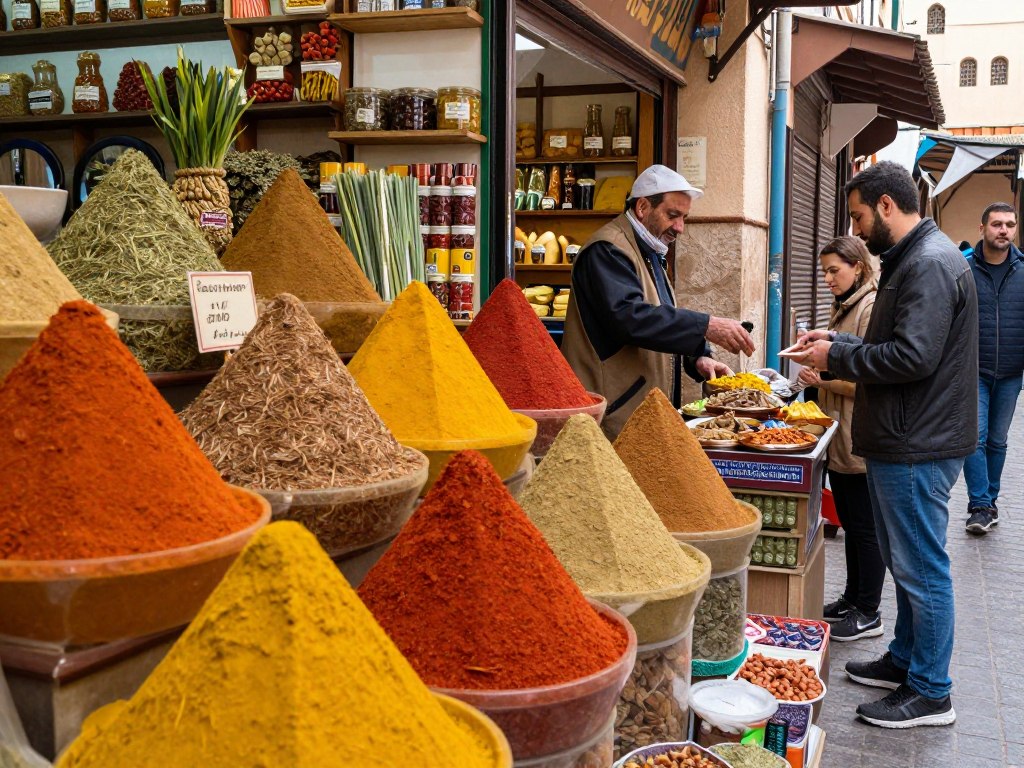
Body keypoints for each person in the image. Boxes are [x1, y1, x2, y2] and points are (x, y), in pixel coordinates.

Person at [793, 161, 978, 729]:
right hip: (911, 434)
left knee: (922, 568)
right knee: (908, 563)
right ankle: (906, 659)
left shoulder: (926, 263)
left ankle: (931, 691)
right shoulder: (918, 259)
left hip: (916, 441)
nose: (857, 225)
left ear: (887, 207)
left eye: (858, 215)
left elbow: (913, 357)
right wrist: (837, 339)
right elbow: (900, 342)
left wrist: (837, 357)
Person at [562, 165, 755, 436]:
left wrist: (698, 357)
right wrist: (706, 326)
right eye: (673, 215)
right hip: (613, 412)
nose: (680, 228)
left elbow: (659, 320)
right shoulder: (607, 250)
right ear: (642, 207)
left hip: (639, 411)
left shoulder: (650, 250)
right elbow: (630, 318)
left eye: (684, 217)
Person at [798, 236, 883, 642]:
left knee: (865, 527)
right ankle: (852, 598)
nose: (829, 278)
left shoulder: (868, 307)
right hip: (840, 433)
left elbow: (870, 378)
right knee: (849, 519)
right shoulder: (845, 305)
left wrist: (823, 379)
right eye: (825, 271)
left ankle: (869, 610)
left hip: (858, 436)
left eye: (835, 270)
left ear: (859, 268)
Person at [963, 202, 1022, 535]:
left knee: (998, 442)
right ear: (982, 227)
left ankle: (991, 501)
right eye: (997, 224)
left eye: (1009, 225)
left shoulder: (1023, 269)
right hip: (974, 370)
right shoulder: (963, 268)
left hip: (1012, 373)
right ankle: (980, 505)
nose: (1004, 230)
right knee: (976, 438)